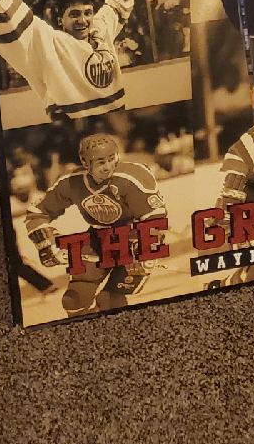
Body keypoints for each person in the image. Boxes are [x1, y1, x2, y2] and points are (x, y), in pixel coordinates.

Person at [24, 133, 168, 315]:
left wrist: (144, 251)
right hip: (99, 240)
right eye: (101, 162)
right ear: (85, 163)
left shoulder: (133, 176)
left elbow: (155, 218)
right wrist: (46, 242)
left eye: (111, 159)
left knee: (109, 299)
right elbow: (37, 213)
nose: (108, 167)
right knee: (74, 300)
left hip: (133, 239)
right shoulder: (71, 182)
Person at [0, 0, 134, 121]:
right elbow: (12, 16)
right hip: (75, 127)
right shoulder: (50, 41)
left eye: (88, 13)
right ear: (60, 21)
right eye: (74, 14)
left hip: (118, 120)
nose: (82, 20)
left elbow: (117, 4)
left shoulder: (100, 29)